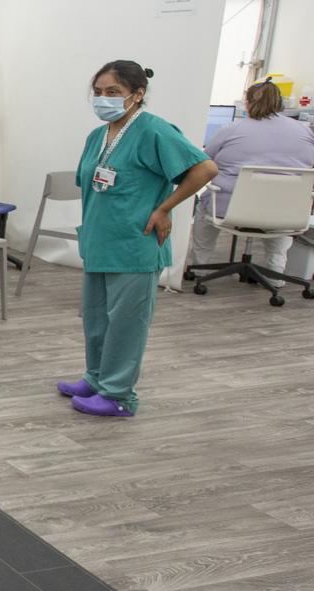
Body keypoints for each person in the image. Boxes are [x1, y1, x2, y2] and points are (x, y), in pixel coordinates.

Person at [58, 60, 217, 417]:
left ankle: (118, 396)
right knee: (96, 318)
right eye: (98, 93)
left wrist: (165, 208)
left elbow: (205, 168)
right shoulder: (98, 136)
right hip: (101, 240)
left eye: (112, 92)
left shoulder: (153, 131)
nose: (103, 99)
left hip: (135, 243)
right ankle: (96, 378)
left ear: (137, 94)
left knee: (126, 323)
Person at [187, 79, 314, 282]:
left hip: (230, 209)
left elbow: (205, 163)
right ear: (280, 103)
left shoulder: (231, 130)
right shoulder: (304, 132)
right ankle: (276, 275)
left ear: (247, 103)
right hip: (285, 213)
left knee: (204, 207)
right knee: (279, 216)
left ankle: (199, 268)